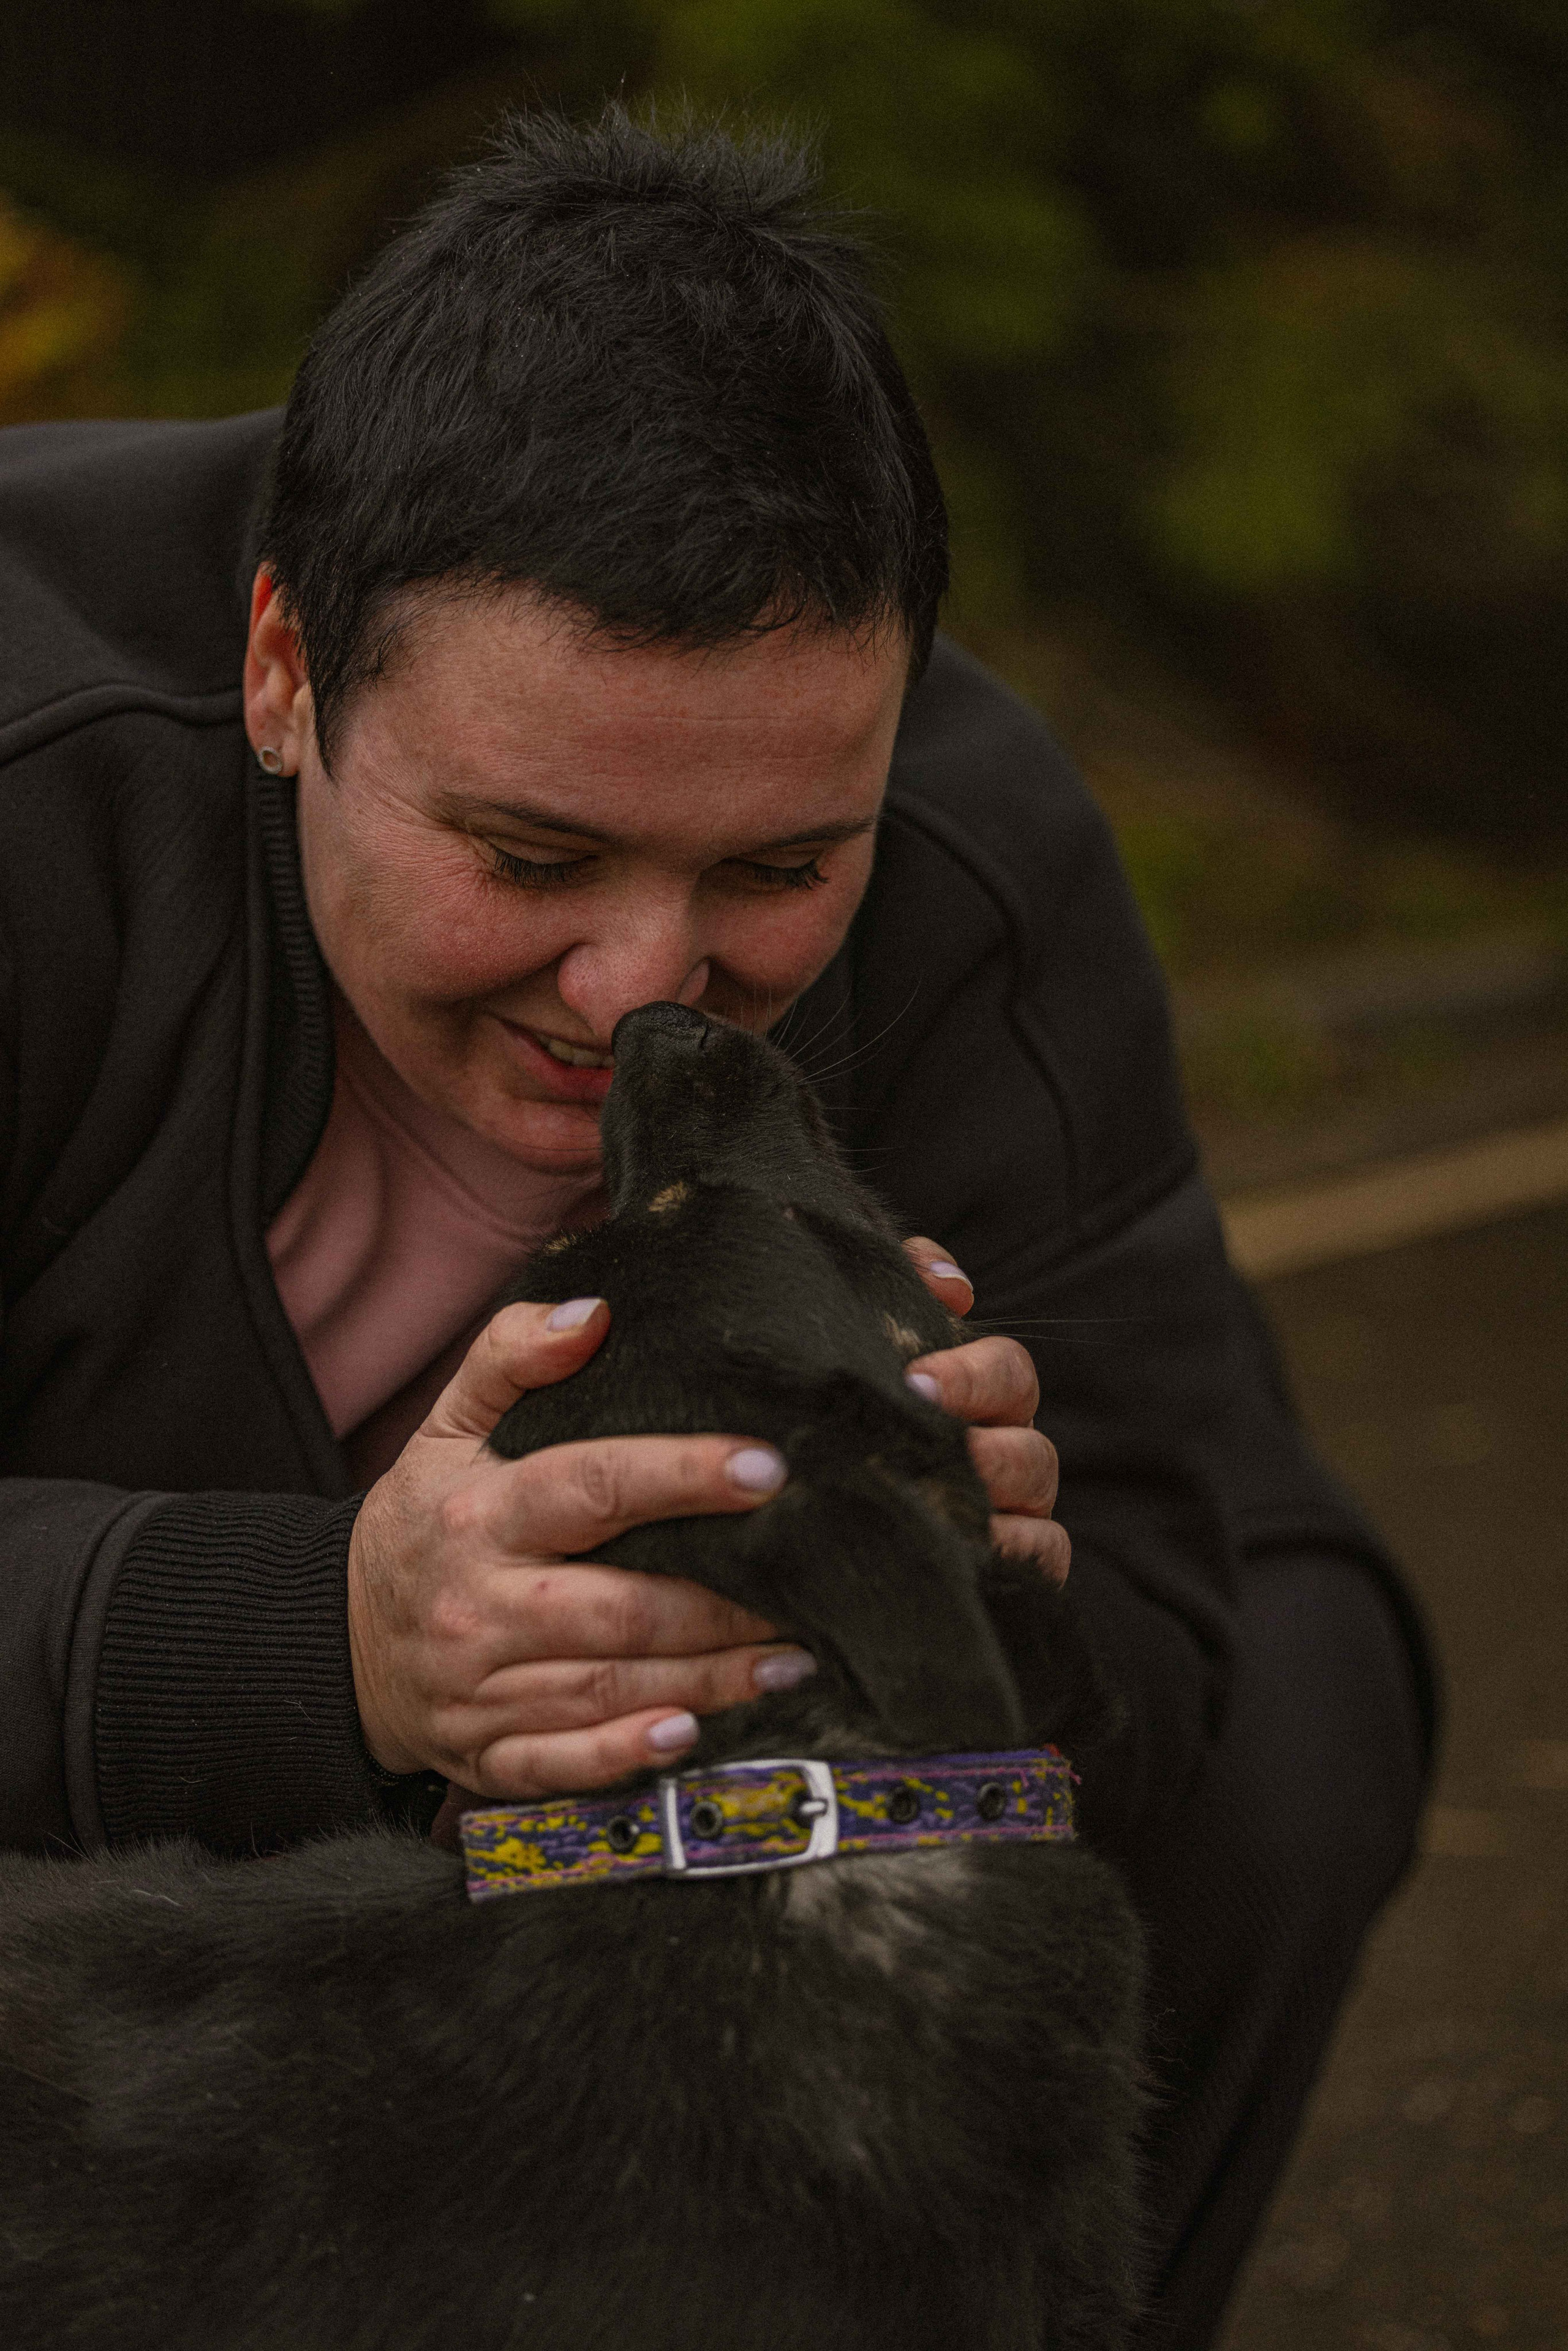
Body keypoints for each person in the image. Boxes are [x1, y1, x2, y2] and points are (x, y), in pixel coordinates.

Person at [0, 110, 1431, 2347]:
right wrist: (319, 1640)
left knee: (1312, 1696)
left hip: (634, 1842)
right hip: (105, 1795)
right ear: (285, 673)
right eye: (533, 855)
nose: (646, 987)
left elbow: (1164, 1605)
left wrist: (996, 1604)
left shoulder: (965, 847)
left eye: (776, 871)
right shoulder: (29, 780)